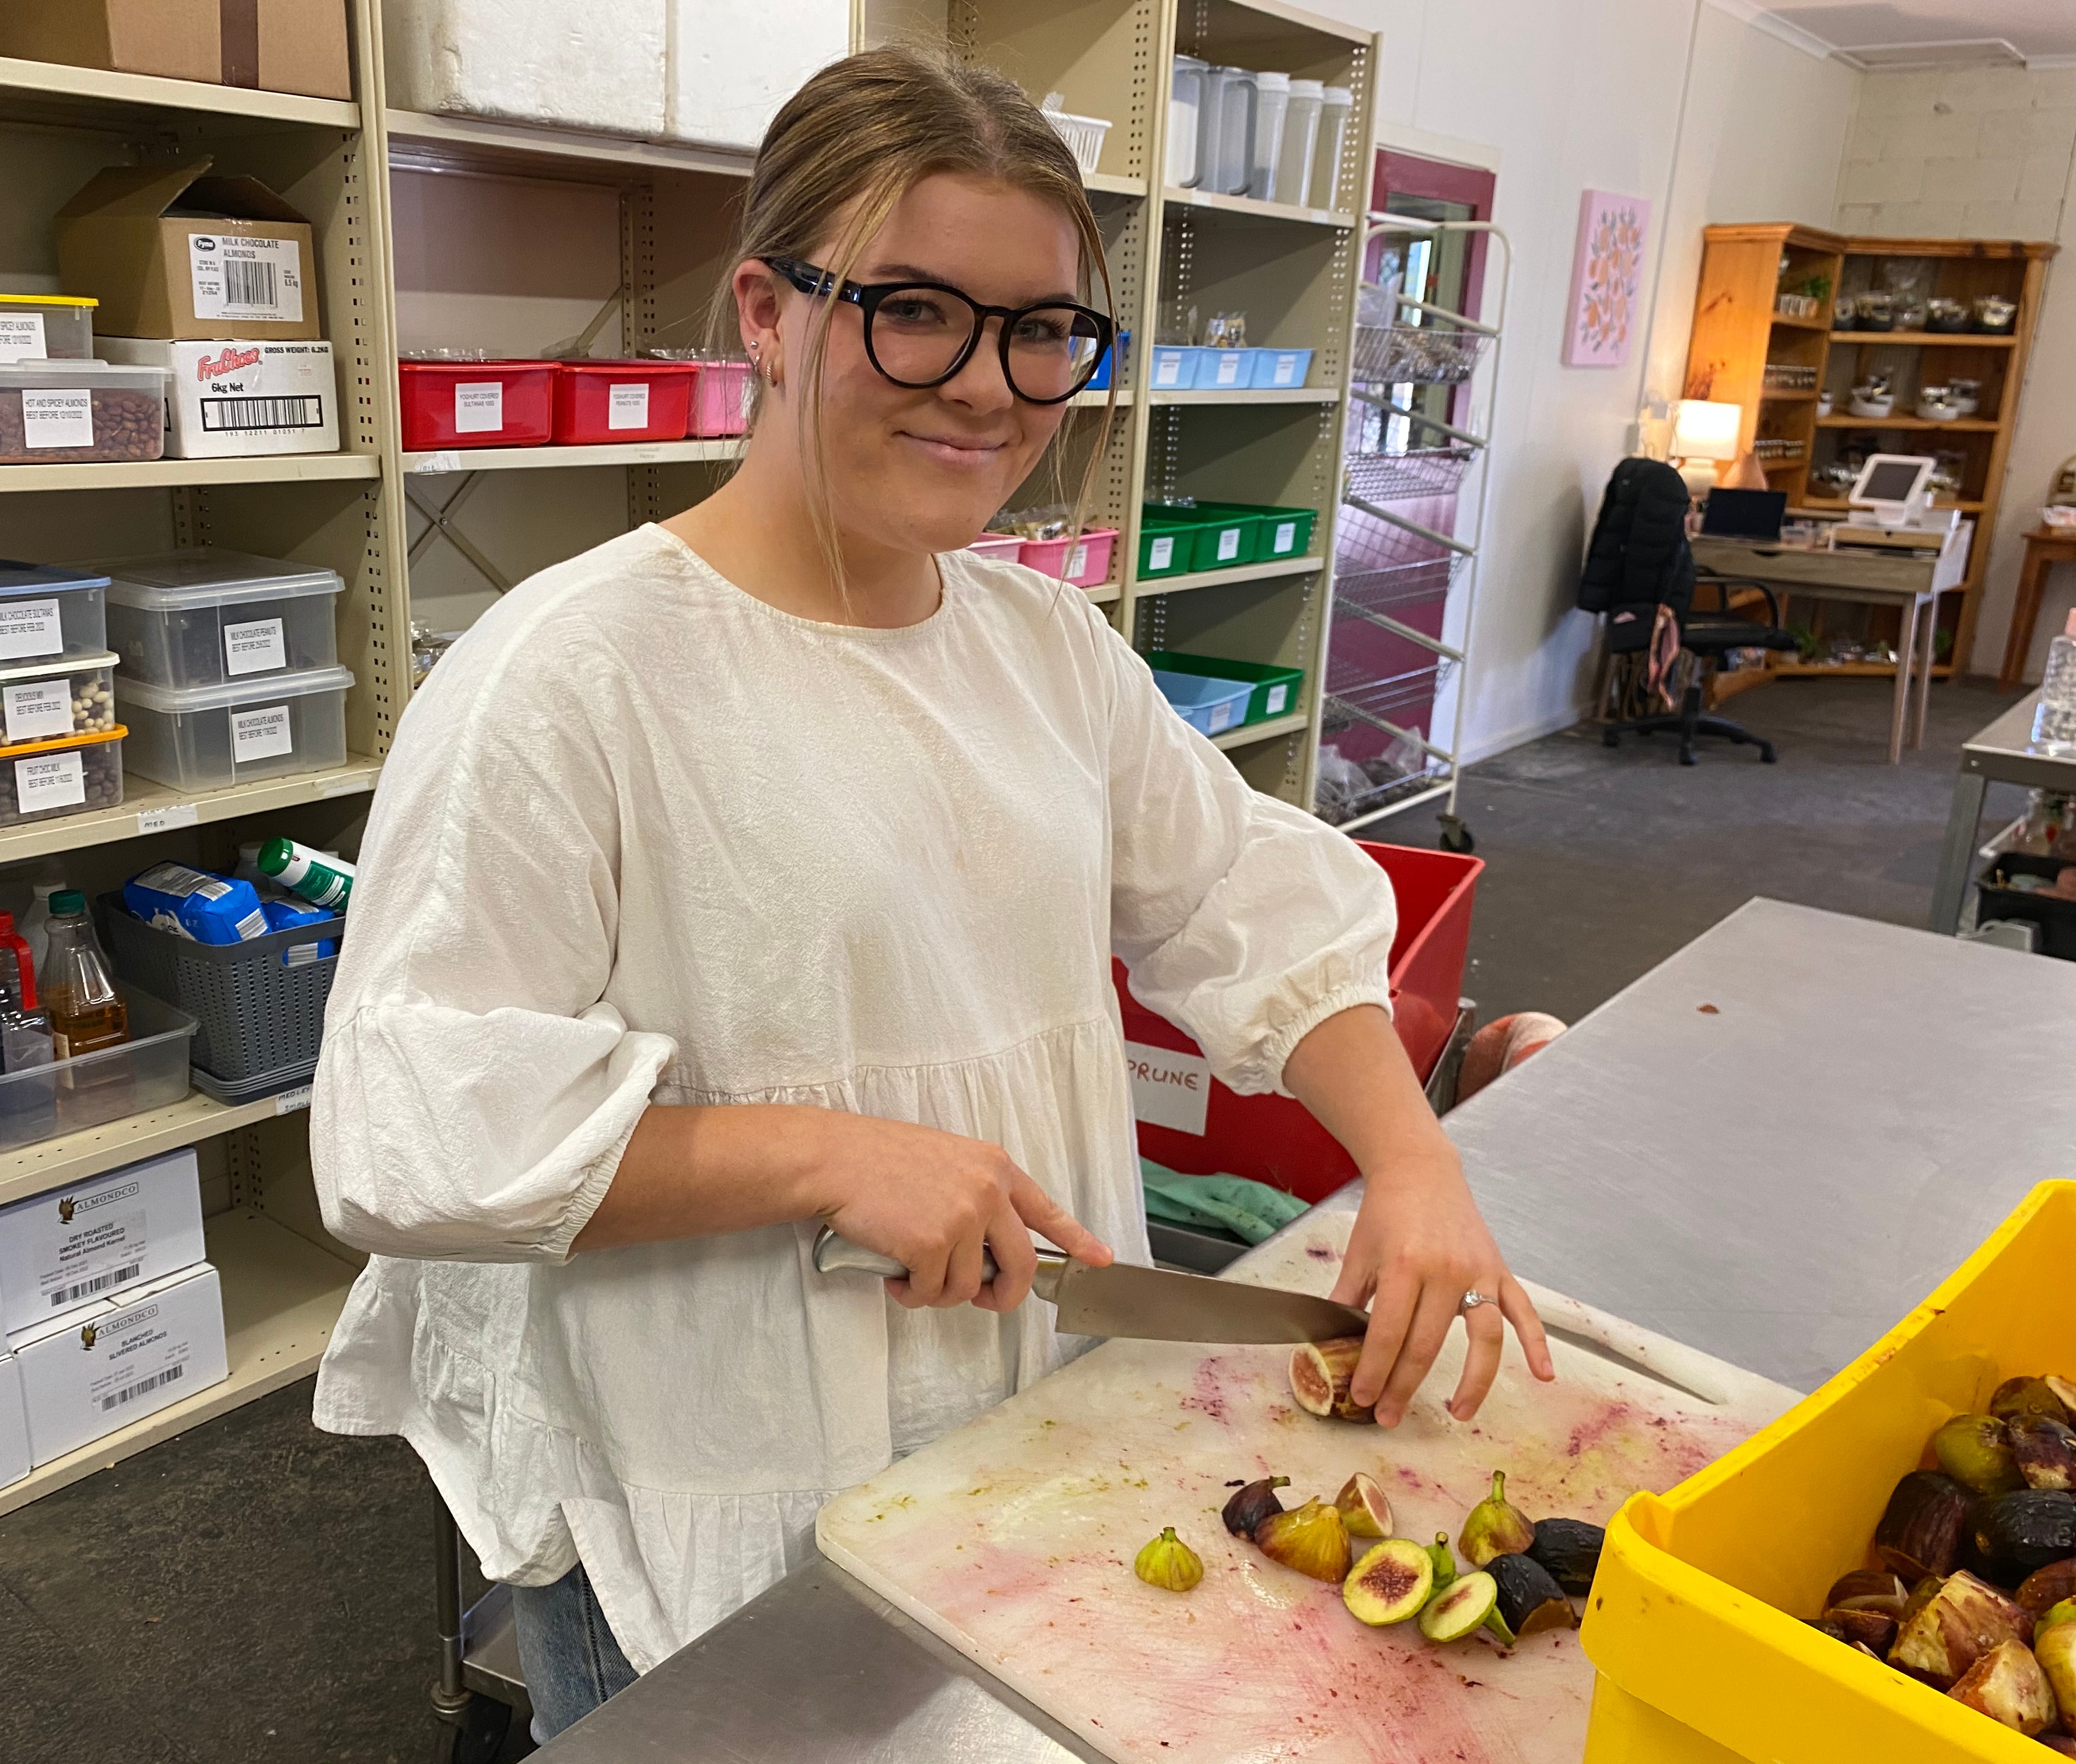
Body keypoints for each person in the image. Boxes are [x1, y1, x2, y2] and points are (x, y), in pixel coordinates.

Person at [310, 46, 1552, 1744]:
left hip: (1014, 1417)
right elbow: (409, 1128)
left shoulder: (1044, 644)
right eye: (916, 312)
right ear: (764, 309)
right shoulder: (571, 675)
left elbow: (1241, 898)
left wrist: (1412, 1159)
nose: (989, 388)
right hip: (704, 1469)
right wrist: (824, 1153)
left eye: (1044, 329)